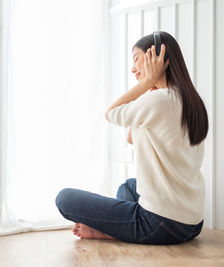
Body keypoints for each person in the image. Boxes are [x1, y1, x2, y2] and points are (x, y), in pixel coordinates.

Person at [55, 31, 208, 245]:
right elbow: (131, 137)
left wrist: (147, 82)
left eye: (136, 59)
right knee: (129, 187)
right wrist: (151, 86)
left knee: (64, 198)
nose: (133, 68)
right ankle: (122, 229)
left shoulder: (160, 100)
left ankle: (113, 231)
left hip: (160, 224)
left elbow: (111, 113)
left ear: (156, 57)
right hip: (192, 223)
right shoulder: (190, 100)